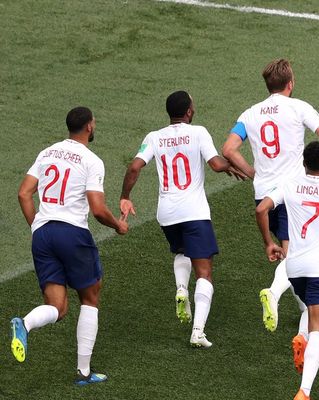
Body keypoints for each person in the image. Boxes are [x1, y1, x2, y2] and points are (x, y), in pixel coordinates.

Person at [222, 58, 319, 332]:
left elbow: (229, 149)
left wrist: (253, 173)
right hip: (293, 194)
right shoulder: (297, 108)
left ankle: (304, 309)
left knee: (290, 252)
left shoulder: (250, 114)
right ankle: (273, 292)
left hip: (264, 195)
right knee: (294, 253)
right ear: (290, 84)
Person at [120, 90, 247, 347]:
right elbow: (215, 163)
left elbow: (134, 166)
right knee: (204, 273)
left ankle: (180, 289)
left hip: (166, 213)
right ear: (189, 111)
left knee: (180, 251)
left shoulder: (154, 137)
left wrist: (125, 195)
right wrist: (233, 166)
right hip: (194, 212)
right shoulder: (198, 132)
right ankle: (197, 331)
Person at [12, 107, 128, 385]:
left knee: (58, 307)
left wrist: (37, 226)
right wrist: (118, 226)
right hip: (72, 233)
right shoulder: (91, 160)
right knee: (90, 297)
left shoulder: (47, 152)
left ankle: (24, 324)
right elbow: (98, 210)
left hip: (43, 234)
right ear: (89, 127)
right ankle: (84, 372)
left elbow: (24, 193)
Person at [256, 141, 319, 400]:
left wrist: (269, 243)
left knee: (307, 310)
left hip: (295, 269)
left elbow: (261, 208)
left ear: (304, 163)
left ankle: (300, 336)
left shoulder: (290, 184)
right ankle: (304, 391)